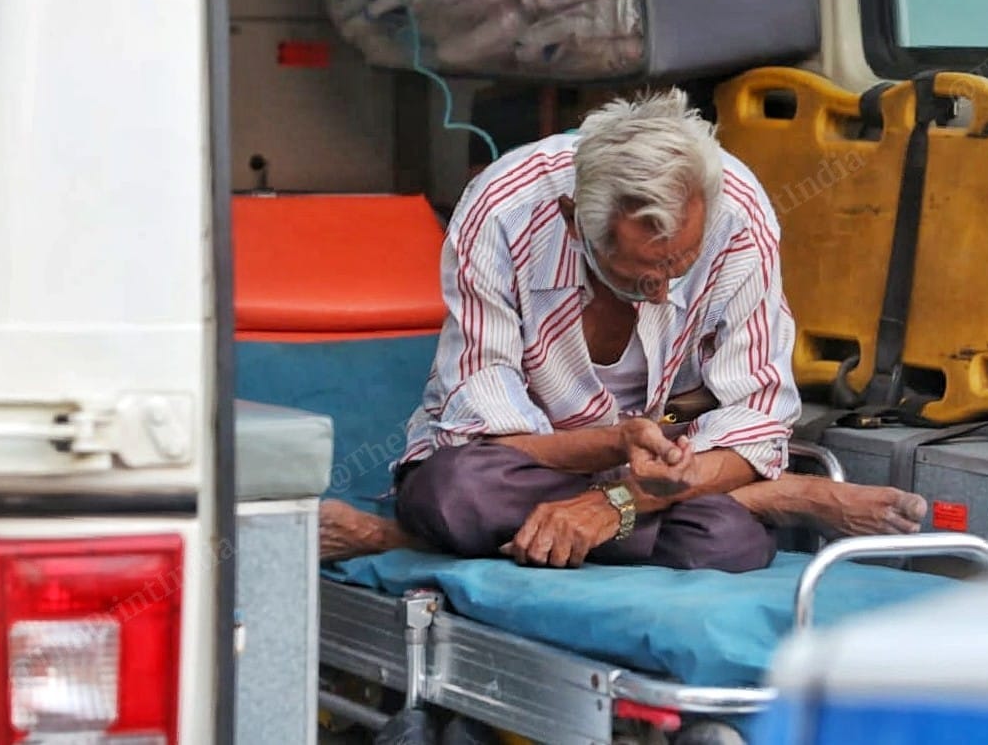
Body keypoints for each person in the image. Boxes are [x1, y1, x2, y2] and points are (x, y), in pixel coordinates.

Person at [319, 89, 926, 572]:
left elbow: (756, 419)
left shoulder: (737, 214)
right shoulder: (503, 211)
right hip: (528, 466)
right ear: (573, 221)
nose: (662, 293)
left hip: (660, 477)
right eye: (636, 278)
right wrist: (616, 449)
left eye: (678, 268)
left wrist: (618, 503)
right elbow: (488, 434)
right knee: (455, 494)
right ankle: (769, 497)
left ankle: (402, 540)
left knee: (726, 544)